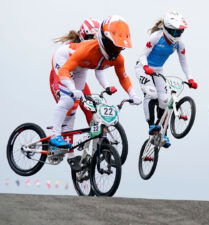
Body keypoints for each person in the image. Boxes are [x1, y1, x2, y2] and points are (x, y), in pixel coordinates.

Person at [49, 15, 142, 169]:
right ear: (104, 41)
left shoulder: (117, 58)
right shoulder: (86, 50)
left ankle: (94, 143)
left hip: (81, 68)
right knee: (68, 101)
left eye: (120, 48)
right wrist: (72, 90)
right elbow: (65, 70)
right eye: (114, 47)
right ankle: (55, 136)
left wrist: (133, 95)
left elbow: (123, 77)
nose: (117, 51)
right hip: (64, 60)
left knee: (84, 104)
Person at [135, 11, 198, 148]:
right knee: (152, 94)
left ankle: (162, 132)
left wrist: (190, 79)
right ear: (167, 29)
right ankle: (151, 125)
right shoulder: (156, 37)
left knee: (165, 101)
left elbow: (184, 62)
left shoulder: (179, 44)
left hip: (158, 70)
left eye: (179, 32)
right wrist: (145, 67)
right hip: (143, 68)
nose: (176, 36)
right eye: (174, 32)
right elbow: (142, 55)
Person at [51, 18, 100, 133]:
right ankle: (58, 139)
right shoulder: (69, 47)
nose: (93, 42)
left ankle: (98, 142)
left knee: (91, 109)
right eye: (90, 38)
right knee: (70, 107)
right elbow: (60, 68)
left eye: (96, 39)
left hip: (77, 77)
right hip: (60, 76)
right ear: (83, 35)